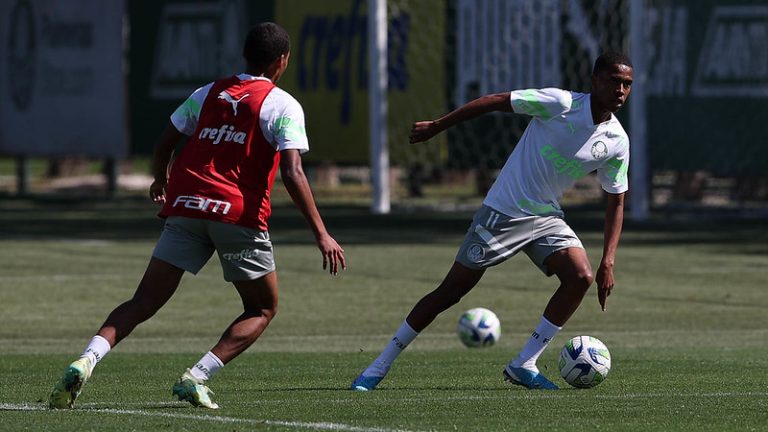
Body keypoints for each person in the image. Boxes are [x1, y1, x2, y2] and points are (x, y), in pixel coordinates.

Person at [49, 22, 346, 409]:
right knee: (262, 308)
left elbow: (166, 140)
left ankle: (86, 360)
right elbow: (292, 172)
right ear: (282, 61)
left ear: (245, 54)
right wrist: (321, 233)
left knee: (142, 301)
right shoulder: (283, 104)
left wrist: (161, 178)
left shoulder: (207, 93)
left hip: (187, 207)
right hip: (235, 216)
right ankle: (197, 376)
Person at [352, 52, 632, 391]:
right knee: (450, 292)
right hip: (503, 212)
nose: (621, 90)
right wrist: (438, 125)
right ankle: (378, 366)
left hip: (545, 215)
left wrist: (609, 261)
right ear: (595, 80)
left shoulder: (617, 141)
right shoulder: (559, 103)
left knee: (580, 276)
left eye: (627, 84)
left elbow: (616, 200)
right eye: (615, 81)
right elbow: (494, 101)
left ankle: (524, 363)